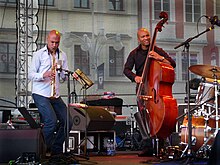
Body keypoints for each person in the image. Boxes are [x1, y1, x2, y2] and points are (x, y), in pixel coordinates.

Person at [123, 27, 176, 156]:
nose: (146, 38)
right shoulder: (134, 53)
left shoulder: (157, 51)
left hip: (155, 89)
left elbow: (172, 63)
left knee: (159, 116)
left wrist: (159, 58)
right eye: (143, 37)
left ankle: (161, 143)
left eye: (147, 36)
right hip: (142, 88)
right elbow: (126, 69)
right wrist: (135, 77)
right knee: (143, 117)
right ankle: (147, 145)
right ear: (138, 39)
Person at [28, 30, 73, 157]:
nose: (54, 45)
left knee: (68, 121)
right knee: (51, 121)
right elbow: (30, 74)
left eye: (57, 43)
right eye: (52, 42)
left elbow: (63, 77)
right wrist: (44, 74)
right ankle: (41, 149)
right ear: (47, 40)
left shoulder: (62, 55)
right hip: (40, 93)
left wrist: (66, 75)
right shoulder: (38, 54)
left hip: (55, 94)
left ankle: (56, 150)